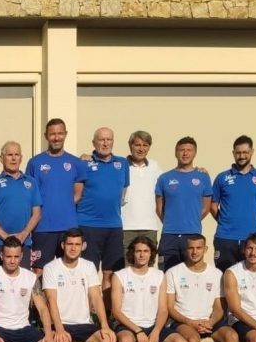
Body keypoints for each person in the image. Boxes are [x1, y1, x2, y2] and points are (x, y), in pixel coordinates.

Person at [42, 228, 116, 342]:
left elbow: (96, 297)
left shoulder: (88, 266)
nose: (73, 248)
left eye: (77, 244)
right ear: (63, 245)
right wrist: (59, 329)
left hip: (84, 323)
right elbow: (51, 301)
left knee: (107, 340)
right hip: (62, 323)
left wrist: (104, 325)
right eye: (70, 244)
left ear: (83, 246)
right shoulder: (51, 268)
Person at [111, 237, 185, 342]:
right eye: (138, 251)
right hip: (128, 324)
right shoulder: (120, 276)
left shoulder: (159, 275)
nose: (142, 255)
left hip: (153, 324)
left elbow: (163, 309)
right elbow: (116, 311)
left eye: (145, 251)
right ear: (132, 253)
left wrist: (156, 331)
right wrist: (138, 331)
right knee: (125, 341)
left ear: (151, 254)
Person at [165, 234, 239, 342]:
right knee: (193, 339)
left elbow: (219, 307)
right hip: (183, 321)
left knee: (232, 336)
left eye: (198, 248)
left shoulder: (216, 274)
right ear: (185, 250)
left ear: (205, 249)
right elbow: (170, 308)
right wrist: (190, 322)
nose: (194, 252)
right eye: (191, 248)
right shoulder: (173, 272)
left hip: (208, 321)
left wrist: (210, 322)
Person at [211, 135, 256, 271]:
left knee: (249, 276)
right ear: (233, 153)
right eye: (238, 153)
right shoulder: (222, 177)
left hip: (251, 239)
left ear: (252, 152)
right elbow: (213, 205)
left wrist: (254, 219)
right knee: (224, 276)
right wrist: (224, 220)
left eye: (245, 152)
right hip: (225, 237)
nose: (242, 156)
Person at [77, 127, 130, 288]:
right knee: (88, 272)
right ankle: (89, 304)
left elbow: (123, 190)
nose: (105, 143)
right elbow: (76, 191)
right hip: (88, 225)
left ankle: (106, 305)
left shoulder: (122, 163)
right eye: (101, 140)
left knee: (111, 273)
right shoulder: (84, 163)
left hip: (114, 225)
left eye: (109, 139)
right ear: (94, 143)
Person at [26, 118, 81, 272]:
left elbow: (78, 194)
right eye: (52, 134)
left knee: (69, 269)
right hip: (42, 227)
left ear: (66, 134)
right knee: (39, 271)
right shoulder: (35, 163)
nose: (56, 138)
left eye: (60, 133)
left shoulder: (76, 163)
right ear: (46, 136)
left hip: (68, 227)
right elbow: (29, 195)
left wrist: (63, 206)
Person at [155, 137, 212, 271]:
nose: (185, 153)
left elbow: (206, 207)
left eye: (189, 150)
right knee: (167, 274)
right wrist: (172, 222)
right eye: (181, 150)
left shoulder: (203, 177)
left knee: (191, 273)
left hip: (192, 234)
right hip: (169, 235)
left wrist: (191, 220)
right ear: (176, 153)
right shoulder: (164, 178)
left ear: (195, 153)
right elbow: (159, 209)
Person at [0, 141, 42, 269]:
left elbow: (37, 214)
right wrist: (6, 237)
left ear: (21, 158)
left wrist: (23, 235)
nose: (14, 158)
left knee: (23, 280)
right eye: (10, 155)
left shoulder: (31, 183)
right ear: (1, 158)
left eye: (17, 155)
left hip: (23, 242)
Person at [122, 130, 162, 249]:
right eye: (137, 145)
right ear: (130, 145)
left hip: (149, 226)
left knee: (148, 261)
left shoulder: (155, 166)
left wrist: (199, 170)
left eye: (145, 145)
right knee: (125, 261)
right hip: (125, 226)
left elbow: (172, 182)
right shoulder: (121, 165)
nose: (141, 149)